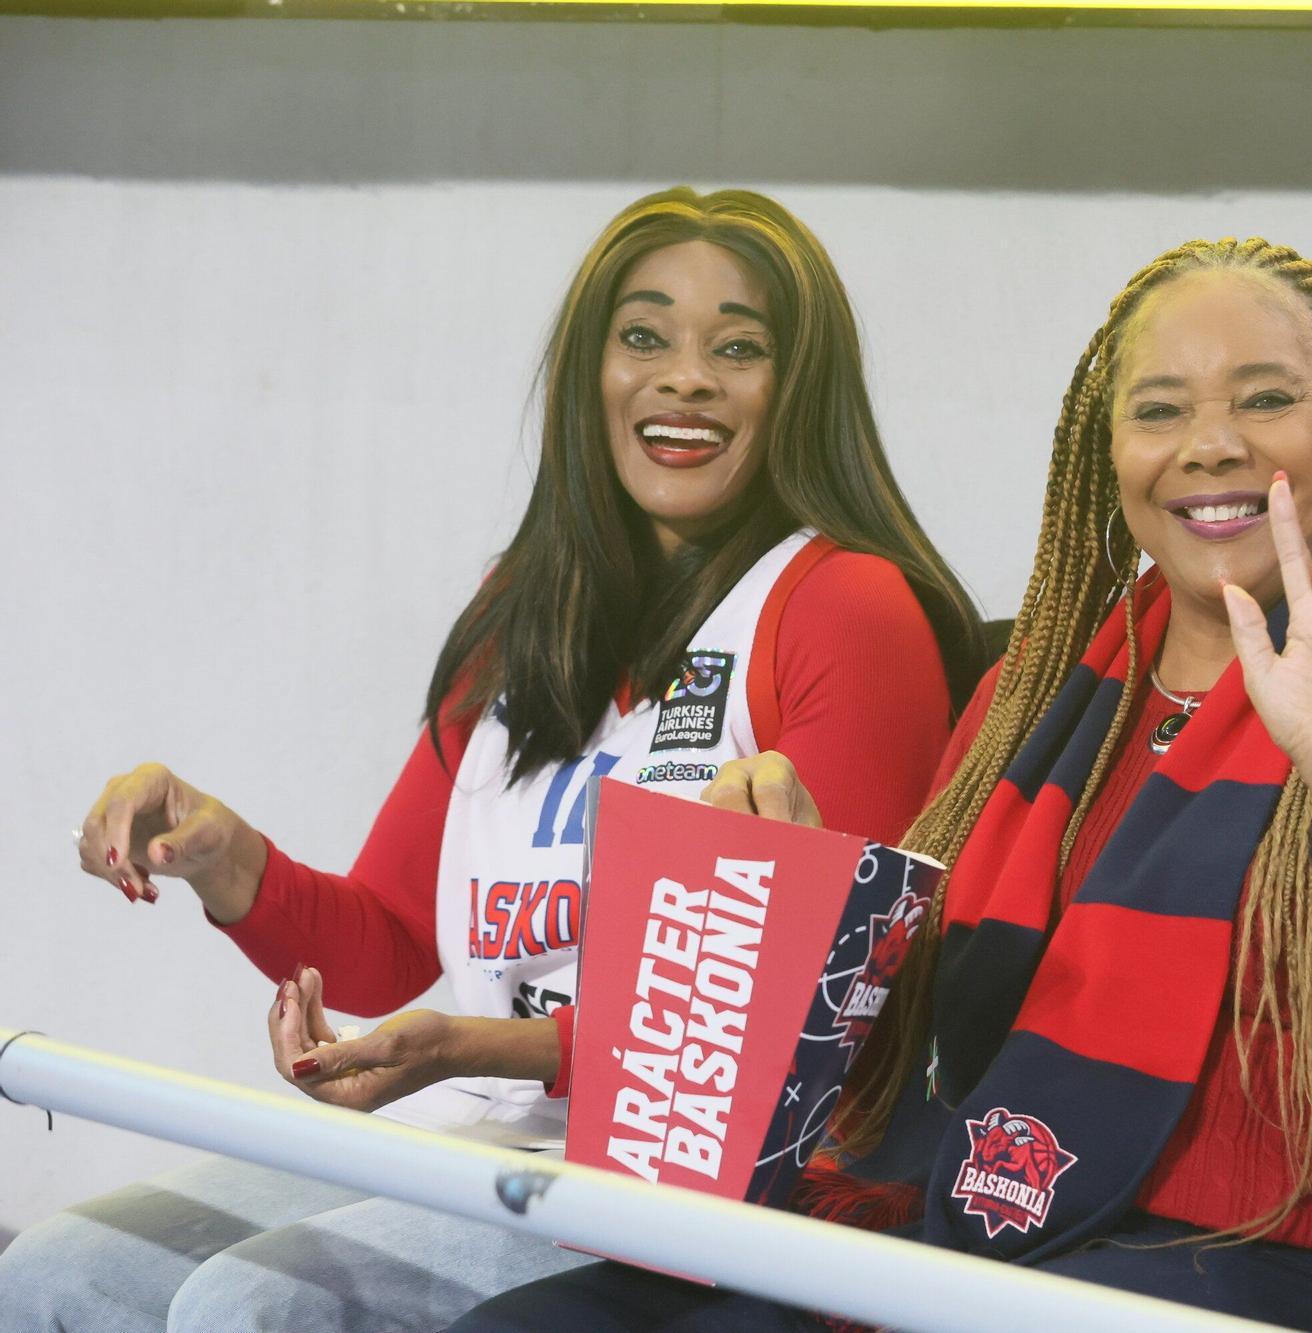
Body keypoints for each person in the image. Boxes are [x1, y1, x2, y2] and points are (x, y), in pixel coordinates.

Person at [447, 235, 1312, 1333]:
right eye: (1159, 409)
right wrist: (812, 910)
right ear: (1106, 453)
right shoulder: (1037, 690)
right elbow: (901, 1062)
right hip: (974, 1229)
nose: (1211, 443)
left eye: (1265, 399)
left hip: (1264, 1268)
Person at [0, 187, 984, 1333]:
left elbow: (804, 1030)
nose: (685, 378)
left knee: (254, 1307)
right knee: (61, 1271)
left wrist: (473, 1045)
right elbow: (384, 944)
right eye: (644, 336)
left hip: (690, 1187)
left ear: (797, 389)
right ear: (590, 375)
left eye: (739, 348)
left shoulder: (844, 604)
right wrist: (224, 861)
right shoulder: (525, 605)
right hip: (479, 1129)